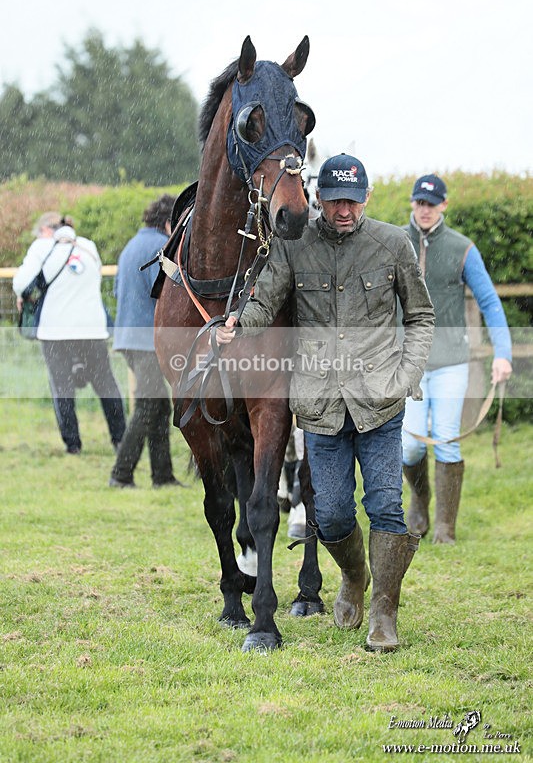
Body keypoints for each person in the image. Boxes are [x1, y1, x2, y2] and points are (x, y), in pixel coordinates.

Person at [217, 154, 435, 652]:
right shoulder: (296, 246)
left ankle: (384, 614)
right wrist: (239, 326)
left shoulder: (393, 244)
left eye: (353, 201)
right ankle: (353, 576)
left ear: (367, 199)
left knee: (385, 507)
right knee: (332, 516)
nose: (344, 210)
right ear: (317, 198)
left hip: (380, 404)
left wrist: (406, 375)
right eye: (335, 200)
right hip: (320, 407)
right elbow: (266, 300)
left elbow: (421, 316)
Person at [401, 175, 513, 544]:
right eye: (420, 203)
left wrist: (503, 354)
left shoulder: (463, 248)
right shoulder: (394, 242)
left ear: (444, 205)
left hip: (451, 362)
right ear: (412, 204)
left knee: (447, 438)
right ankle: (419, 499)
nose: (425, 210)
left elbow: (490, 302)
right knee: (412, 445)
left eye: (432, 204)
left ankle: (445, 528)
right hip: (408, 364)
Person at [13, 212, 126, 454]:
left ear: (46, 229)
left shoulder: (41, 247)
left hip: (56, 330)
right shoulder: (87, 246)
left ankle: (73, 445)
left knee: (62, 388)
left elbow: (20, 284)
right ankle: (120, 439)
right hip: (92, 328)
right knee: (106, 384)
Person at [109, 194, 184, 489]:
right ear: (168, 223)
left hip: (128, 337)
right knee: (146, 406)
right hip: (147, 340)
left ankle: (162, 476)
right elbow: (169, 292)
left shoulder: (132, 245)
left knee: (158, 407)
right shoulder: (159, 247)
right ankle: (121, 474)